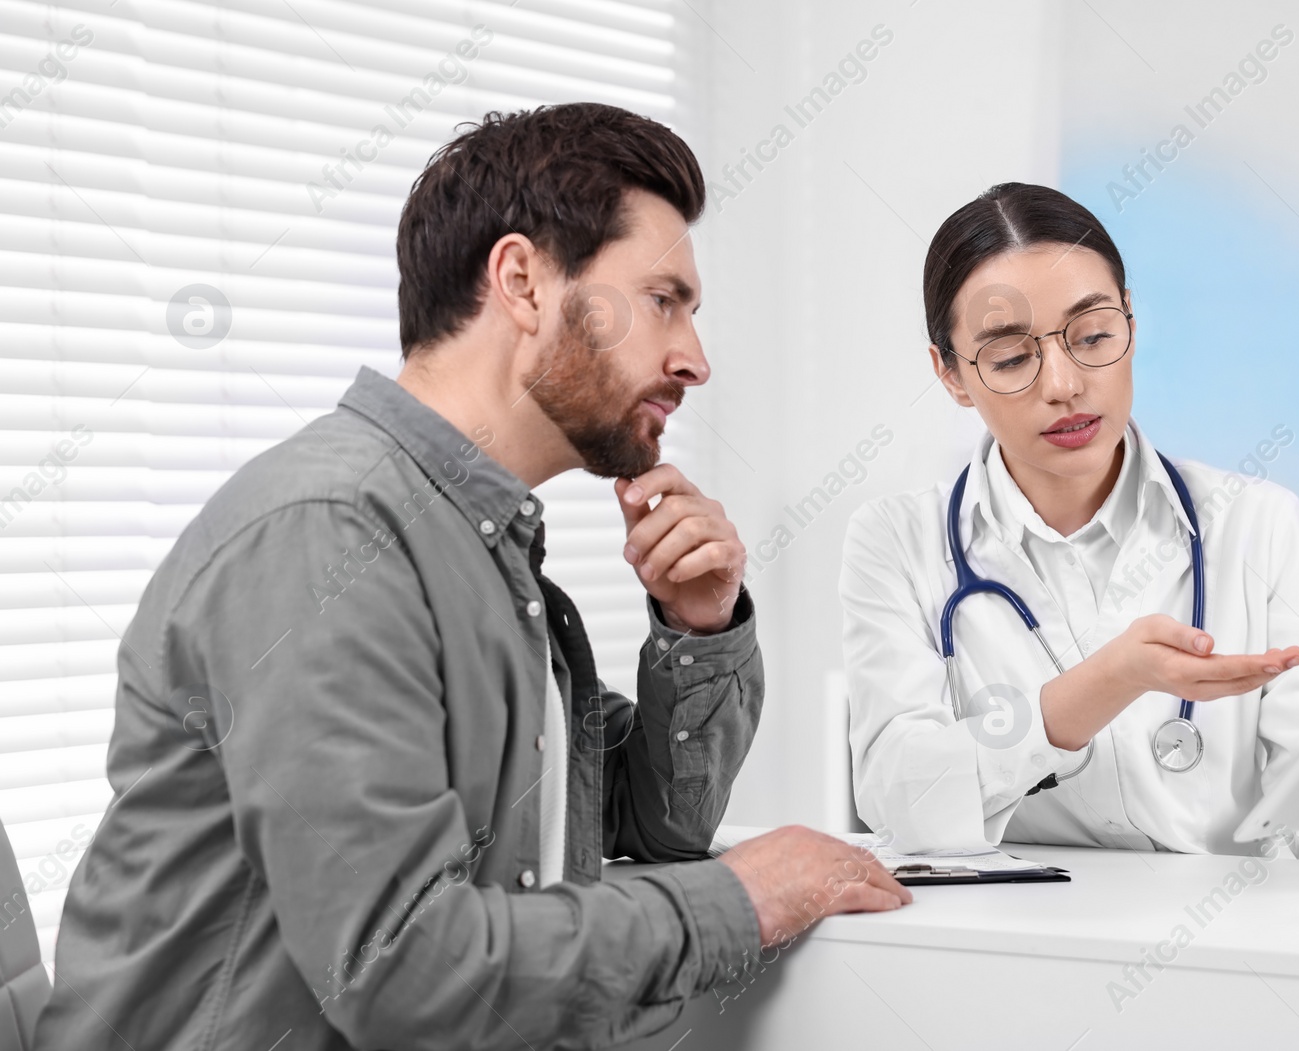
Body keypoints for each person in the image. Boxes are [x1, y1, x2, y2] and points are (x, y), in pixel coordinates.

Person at [35, 103, 909, 1051]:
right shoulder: (332, 536)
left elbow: (644, 826)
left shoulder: (477, 548)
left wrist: (697, 632)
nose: (694, 358)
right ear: (524, 281)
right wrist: (741, 899)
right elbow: (402, 966)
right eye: (665, 299)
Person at [841, 182, 1299, 869]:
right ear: (951, 375)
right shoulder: (897, 542)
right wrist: (1104, 684)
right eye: (1010, 358)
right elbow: (897, 795)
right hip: (1023, 941)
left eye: (1092, 336)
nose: (1062, 382)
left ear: (1131, 327)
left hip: (1234, 941)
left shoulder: (1255, 522)